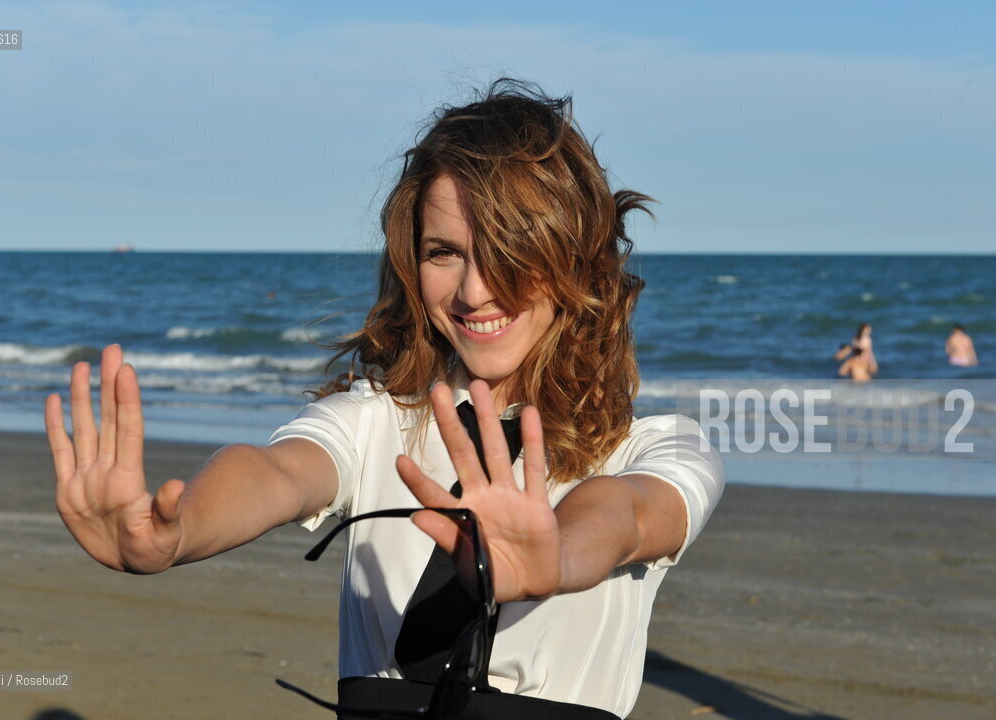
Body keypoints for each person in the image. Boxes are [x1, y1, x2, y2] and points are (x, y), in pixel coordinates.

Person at [44, 80, 724, 720]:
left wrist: (562, 558)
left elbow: (628, 514)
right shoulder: (378, 422)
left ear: (574, 255)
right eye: (444, 252)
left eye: (507, 250)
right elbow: (279, 472)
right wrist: (178, 531)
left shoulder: (656, 448)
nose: (474, 291)